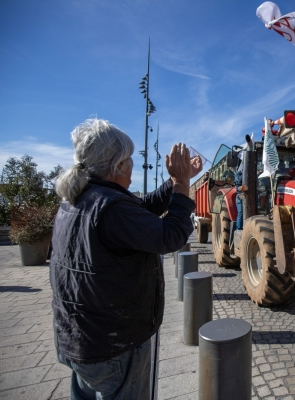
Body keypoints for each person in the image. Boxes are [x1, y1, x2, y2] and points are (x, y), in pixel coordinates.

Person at [51, 118, 200, 399]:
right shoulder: (110, 206)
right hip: (113, 345)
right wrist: (181, 185)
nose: (132, 165)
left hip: (81, 338)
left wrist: (174, 183)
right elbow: (171, 236)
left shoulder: (80, 198)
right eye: (129, 159)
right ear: (118, 165)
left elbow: (140, 211)